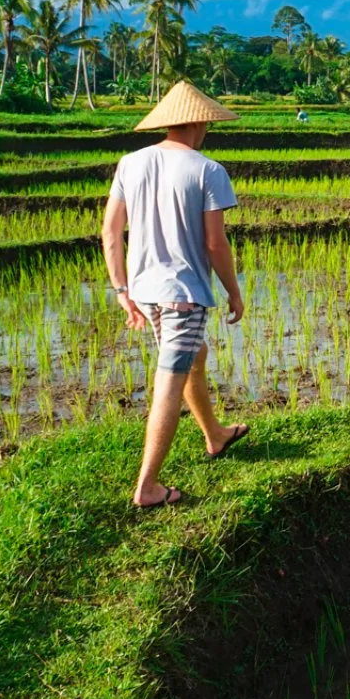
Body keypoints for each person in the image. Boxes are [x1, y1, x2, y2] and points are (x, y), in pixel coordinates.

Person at [101, 81, 249, 509]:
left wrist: (121, 289)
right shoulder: (208, 170)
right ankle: (147, 486)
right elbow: (215, 244)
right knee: (170, 380)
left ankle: (215, 434)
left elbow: (111, 232)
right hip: (182, 295)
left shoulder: (131, 163)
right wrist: (233, 291)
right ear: (200, 122)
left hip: (146, 292)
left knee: (195, 354)